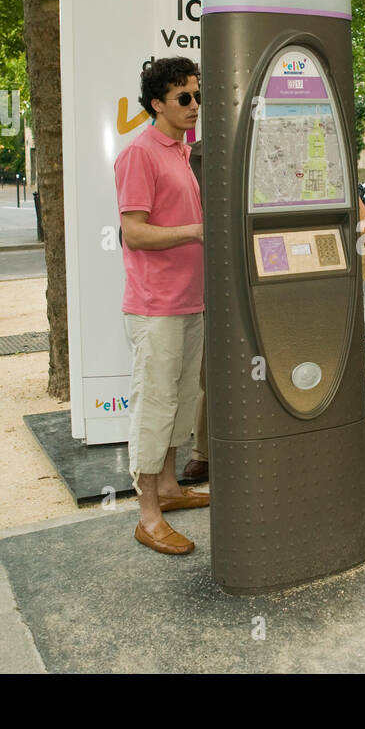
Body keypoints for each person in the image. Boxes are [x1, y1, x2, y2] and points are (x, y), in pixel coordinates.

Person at [114, 56, 209, 555]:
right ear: (157, 103)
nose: (195, 105)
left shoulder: (179, 150)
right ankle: (147, 516)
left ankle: (170, 489)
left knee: (175, 402)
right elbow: (133, 231)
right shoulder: (140, 154)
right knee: (154, 406)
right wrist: (196, 230)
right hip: (156, 307)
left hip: (188, 301)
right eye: (184, 98)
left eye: (197, 95)